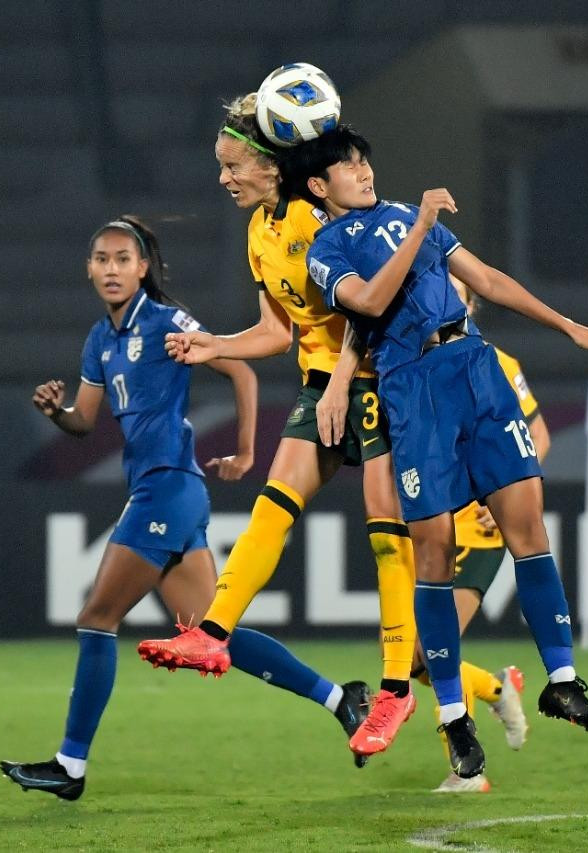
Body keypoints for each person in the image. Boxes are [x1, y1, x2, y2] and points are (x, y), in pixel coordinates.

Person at [0, 216, 371, 802]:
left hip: (167, 489)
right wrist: (56, 412)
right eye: (102, 259)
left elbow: (240, 370)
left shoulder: (166, 321)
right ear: (89, 269)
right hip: (164, 490)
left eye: (124, 259)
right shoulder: (100, 340)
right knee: (210, 631)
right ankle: (339, 698)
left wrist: (246, 451)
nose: (112, 269)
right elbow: (84, 422)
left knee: (97, 618)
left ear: (143, 267)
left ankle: (70, 765)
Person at [288, 126, 588, 779]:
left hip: (473, 364)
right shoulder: (327, 250)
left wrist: (567, 324)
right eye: (348, 166)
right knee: (434, 551)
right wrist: (422, 226)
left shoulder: (406, 216)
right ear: (319, 186)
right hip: (412, 387)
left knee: (529, 523)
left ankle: (562, 679)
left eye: (364, 159)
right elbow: (369, 302)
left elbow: (487, 279)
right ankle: (454, 717)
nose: (364, 170)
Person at [135, 94, 422, 763]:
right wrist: (215, 345)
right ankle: (212, 633)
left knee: (387, 536)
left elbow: (374, 306)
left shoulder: (322, 214)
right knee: (273, 504)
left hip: (383, 376)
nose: (223, 178)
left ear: (270, 164)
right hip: (323, 381)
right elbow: (276, 331)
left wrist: (344, 382)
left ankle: (395, 688)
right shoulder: (259, 232)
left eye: (233, 165)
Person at [419, 275, 549, 794]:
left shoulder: (498, 363)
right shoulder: (411, 362)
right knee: (413, 661)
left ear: (472, 307)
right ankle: (496, 688)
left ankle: (464, 772)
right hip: (429, 527)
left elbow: (536, 435)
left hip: (477, 532)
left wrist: (509, 490)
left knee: (436, 647)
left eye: (456, 294)